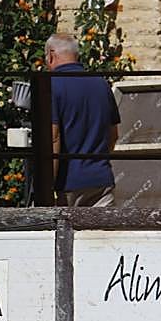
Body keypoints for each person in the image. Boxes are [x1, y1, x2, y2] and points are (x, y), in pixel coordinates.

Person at [46, 33, 121, 207]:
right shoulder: (101, 83)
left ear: (51, 55)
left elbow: (53, 138)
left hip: (68, 182)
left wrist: (48, 186)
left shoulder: (51, 85)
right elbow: (113, 134)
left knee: (67, 233)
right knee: (101, 232)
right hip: (102, 179)